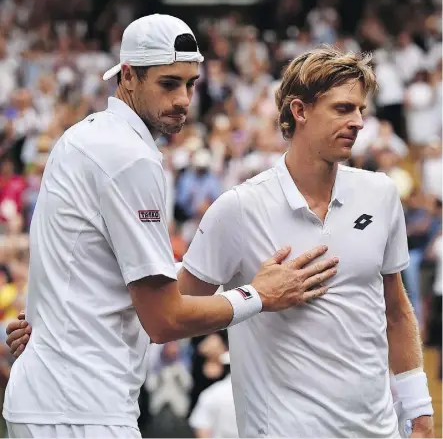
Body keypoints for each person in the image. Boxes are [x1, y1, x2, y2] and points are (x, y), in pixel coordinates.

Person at [7, 46, 435, 437]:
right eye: (344, 109)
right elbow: (169, 312)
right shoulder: (237, 208)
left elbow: (397, 313)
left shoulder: (380, 195)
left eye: (361, 109)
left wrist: (418, 409)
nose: (359, 121)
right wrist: (58, 326)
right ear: (299, 110)